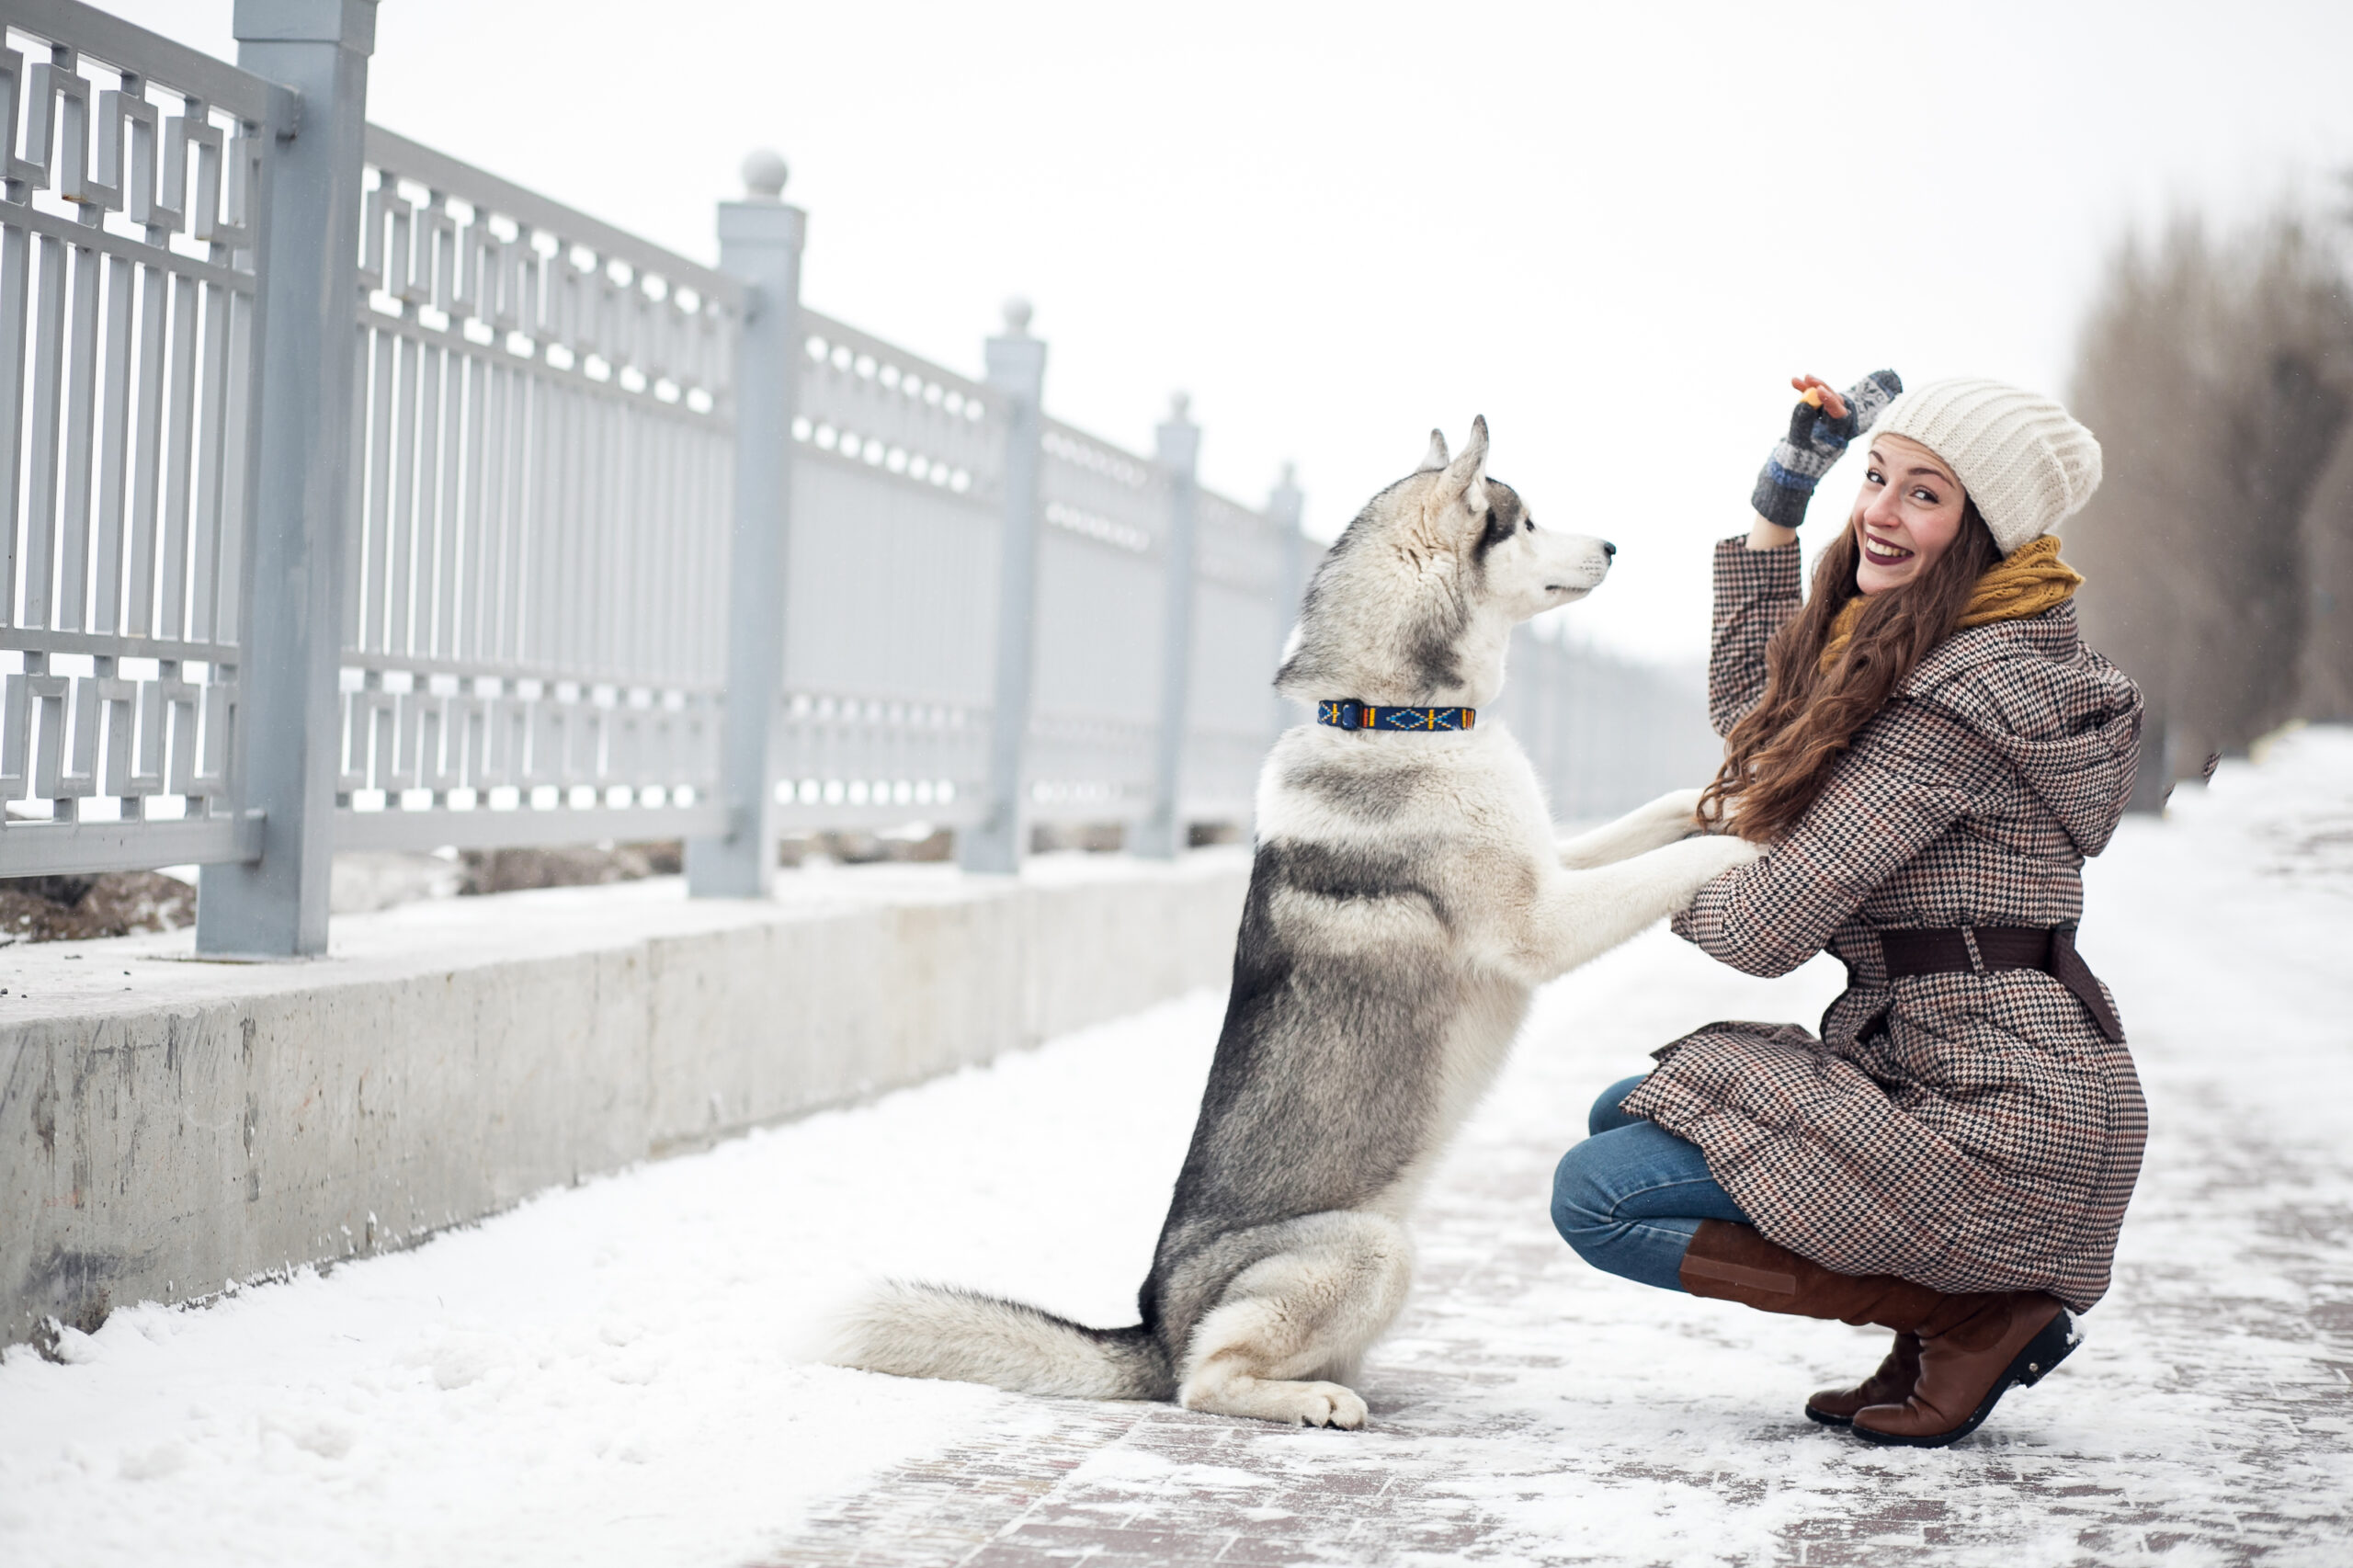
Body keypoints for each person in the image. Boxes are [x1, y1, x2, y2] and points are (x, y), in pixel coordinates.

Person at [1549, 372, 2148, 1448]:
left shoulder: (1968, 696)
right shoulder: (1922, 646)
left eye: (1924, 492)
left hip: (2003, 1110)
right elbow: (1759, 726)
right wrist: (1780, 503)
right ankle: (1943, 1317)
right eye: (1876, 477)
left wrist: (1649, 875)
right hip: (1953, 1066)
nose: (1877, 508)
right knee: (1624, 1110)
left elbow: (1757, 928)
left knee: (1599, 1192)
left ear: (1983, 528)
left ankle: (1969, 1311)